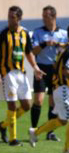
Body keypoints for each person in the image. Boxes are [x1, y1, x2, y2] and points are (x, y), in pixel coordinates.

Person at [0, 6, 45, 146]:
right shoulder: (2, 33)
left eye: (12, 17)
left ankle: (3, 126)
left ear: (19, 18)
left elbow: (29, 53)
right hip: (7, 73)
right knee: (12, 105)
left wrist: (35, 67)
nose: (9, 20)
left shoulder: (25, 33)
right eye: (8, 17)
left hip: (21, 73)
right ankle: (13, 138)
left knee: (27, 105)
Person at [30, 5, 68, 141]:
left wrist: (59, 46)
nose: (44, 19)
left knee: (53, 103)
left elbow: (65, 51)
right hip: (41, 69)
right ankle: (33, 130)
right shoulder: (38, 32)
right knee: (38, 100)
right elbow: (33, 51)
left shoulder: (63, 34)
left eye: (46, 16)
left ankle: (49, 132)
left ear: (54, 17)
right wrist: (45, 43)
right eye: (43, 16)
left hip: (55, 71)